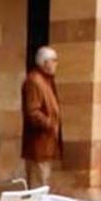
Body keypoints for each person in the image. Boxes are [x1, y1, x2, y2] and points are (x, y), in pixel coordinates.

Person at [21, 45, 63, 188]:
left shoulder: (46, 80)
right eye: (54, 60)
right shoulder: (34, 81)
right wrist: (50, 124)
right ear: (45, 62)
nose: (56, 64)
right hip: (38, 145)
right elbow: (33, 112)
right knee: (38, 184)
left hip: (47, 144)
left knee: (44, 183)